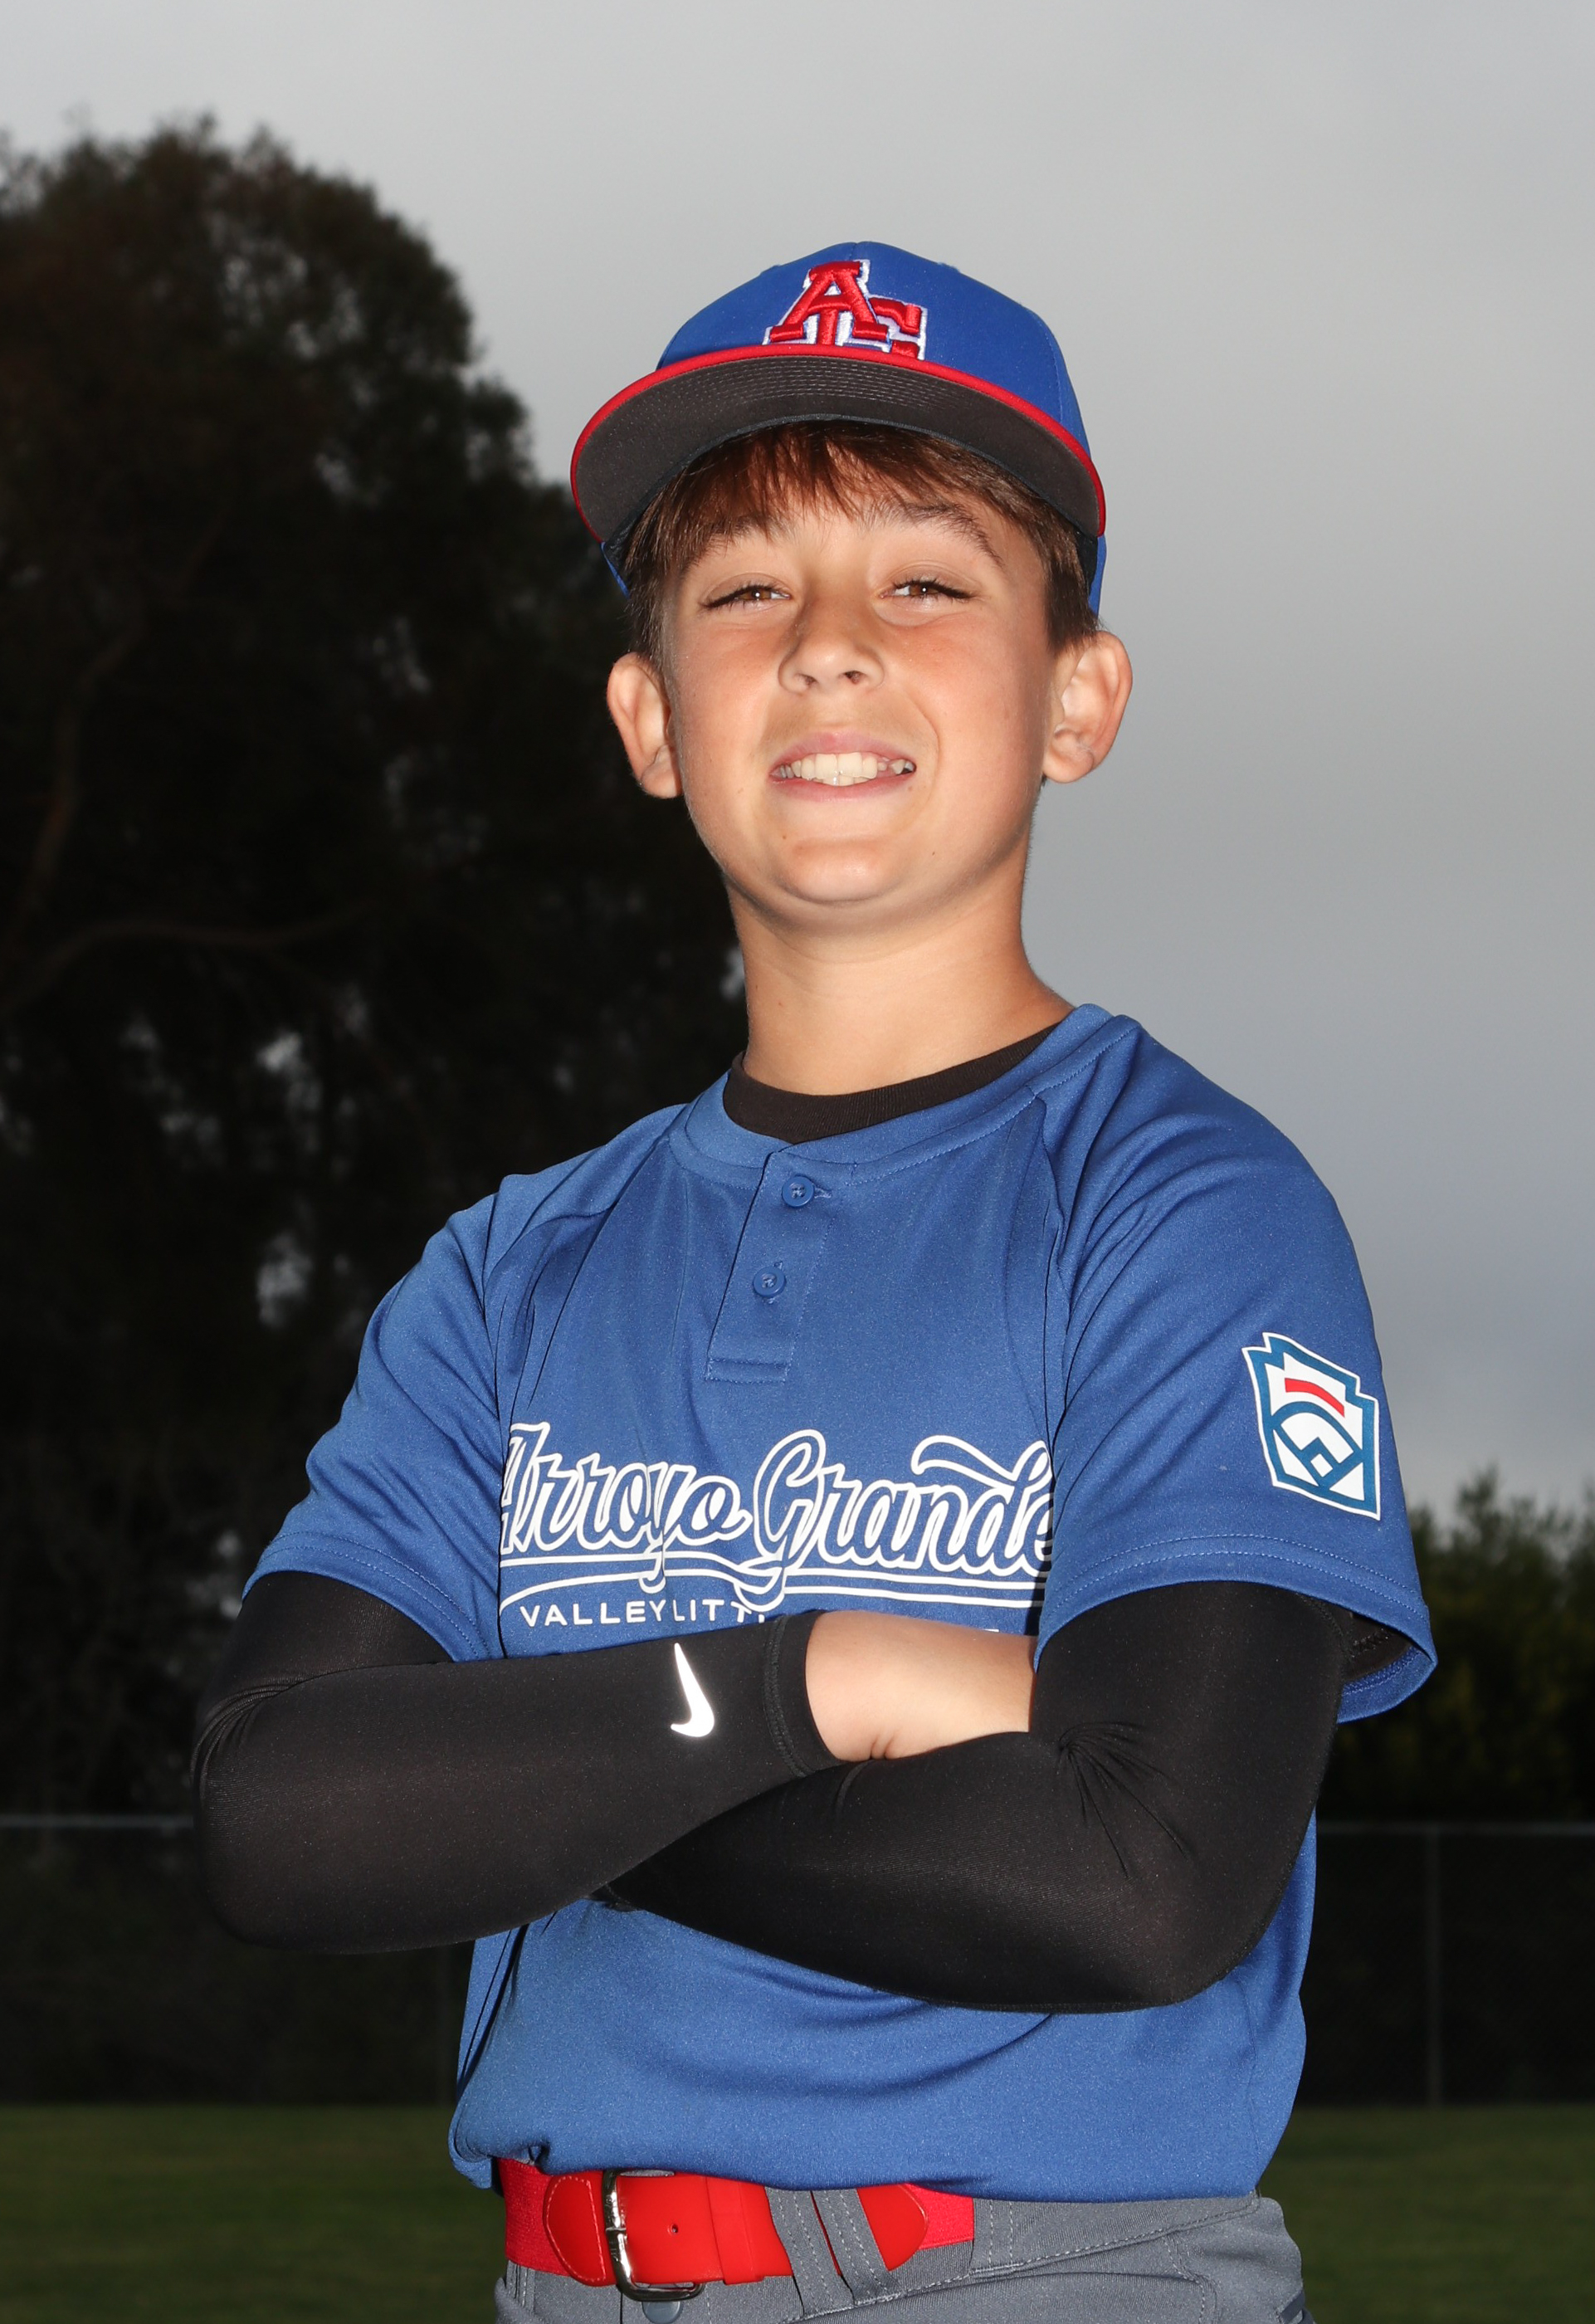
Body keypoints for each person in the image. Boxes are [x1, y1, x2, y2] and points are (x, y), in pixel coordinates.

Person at [194, 244, 1434, 2324]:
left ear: (1077, 696)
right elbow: (274, 1819)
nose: (833, 645)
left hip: (1041, 2279)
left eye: (928, 580)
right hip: (558, 2282)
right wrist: (811, 1682)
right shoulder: (510, 1271)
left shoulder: (1187, 1206)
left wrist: (518, 1789)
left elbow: (1140, 1874)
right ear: (648, 718)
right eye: (745, 589)